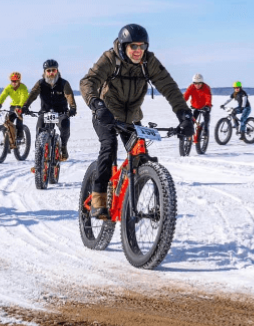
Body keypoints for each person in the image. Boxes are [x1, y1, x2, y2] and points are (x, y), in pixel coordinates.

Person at [80, 24, 194, 220]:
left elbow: (169, 87)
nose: (138, 51)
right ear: (124, 46)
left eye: (142, 46)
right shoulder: (109, 59)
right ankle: (98, 195)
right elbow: (88, 81)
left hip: (131, 117)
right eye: (133, 46)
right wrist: (97, 104)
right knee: (109, 146)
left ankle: (128, 204)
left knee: (141, 156)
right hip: (105, 113)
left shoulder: (148, 62)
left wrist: (184, 115)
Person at [21, 60, 77, 161]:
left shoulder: (64, 83)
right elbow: (33, 94)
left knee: (65, 125)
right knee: (39, 134)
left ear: (57, 71)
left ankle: (63, 147)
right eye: (49, 71)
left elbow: (69, 95)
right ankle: (39, 161)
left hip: (61, 112)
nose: (51, 73)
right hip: (45, 112)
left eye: (53, 70)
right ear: (45, 72)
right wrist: (25, 106)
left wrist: (72, 108)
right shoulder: (40, 83)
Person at [0, 72, 28, 147]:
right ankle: (8, 137)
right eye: (12, 81)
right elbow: (3, 96)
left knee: (19, 119)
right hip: (13, 105)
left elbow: (23, 97)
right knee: (8, 121)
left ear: (19, 81)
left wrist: (20, 106)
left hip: (23, 104)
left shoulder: (23, 87)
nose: (14, 83)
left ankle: (20, 136)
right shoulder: (8, 87)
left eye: (15, 81)